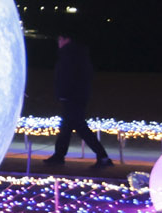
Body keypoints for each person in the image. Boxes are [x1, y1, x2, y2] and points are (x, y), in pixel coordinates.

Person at [44, 33, 113, 170]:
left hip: (72, 97)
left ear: (66, 39)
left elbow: (66, 76)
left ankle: (103, 157)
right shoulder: (76, 53)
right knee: (67, 127)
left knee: (79, 127)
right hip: (76, 96)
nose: (58, 42)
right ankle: (59, 156)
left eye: (60, 39)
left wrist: (64, 93)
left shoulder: (69, 54)